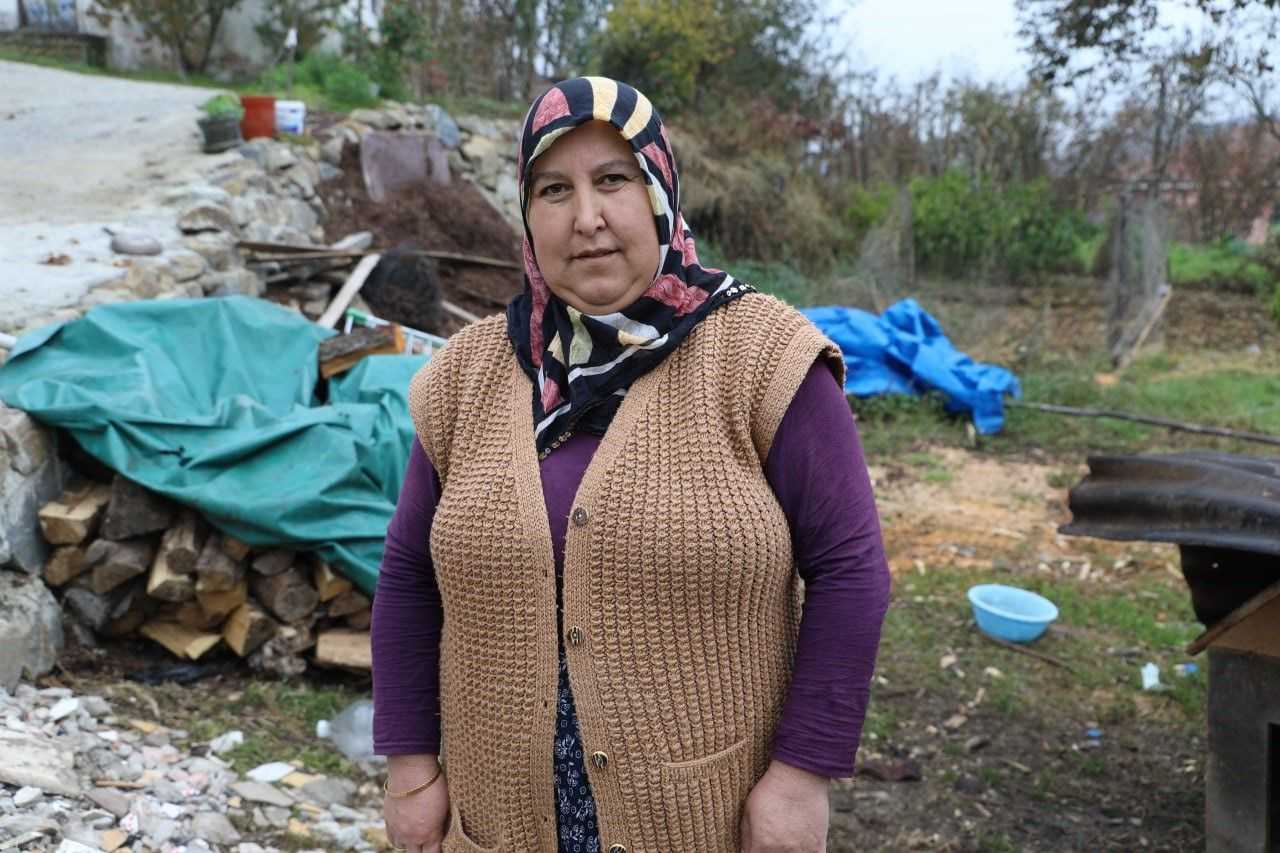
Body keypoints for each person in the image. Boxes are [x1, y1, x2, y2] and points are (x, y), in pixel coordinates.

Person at [371, 76, 890, 853]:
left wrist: (800, 777)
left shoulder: (760, 357)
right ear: (525, 211)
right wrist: (411, 768)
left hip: (702, 822)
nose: (588, 218)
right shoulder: (465, 377)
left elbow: (851, 569)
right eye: (554, 188)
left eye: (614, 179)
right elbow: (409, 574)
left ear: (659, 189)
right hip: (498, 824)